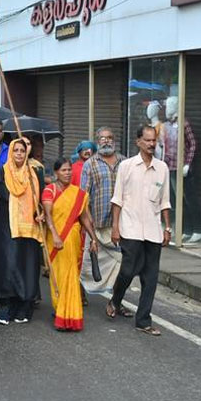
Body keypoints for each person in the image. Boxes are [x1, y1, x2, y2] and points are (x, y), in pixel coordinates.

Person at [108, 124, 171, 336]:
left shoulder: (162, 168)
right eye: (148, 140)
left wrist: (167, 227)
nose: (152, 144)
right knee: (128, 270)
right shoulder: (126, 166)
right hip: (130, 227)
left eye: (154, 140)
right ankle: (116, 299)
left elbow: (165, 201)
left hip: (153, 229)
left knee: (150, 277)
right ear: (138, 142)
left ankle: (143, 320)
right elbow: (117, 199)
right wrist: (115, 227)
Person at [0, 139, 44, 325]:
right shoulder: (0, 173)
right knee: (6, 265)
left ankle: (24, 306)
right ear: (10, 152)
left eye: (22, 150)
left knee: (26, 266)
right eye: (15, 150)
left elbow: (42, 200)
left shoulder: (34, 174)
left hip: (29, 230)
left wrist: (41, 213)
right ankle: (4, 306)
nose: (19, 153)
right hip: (4, 229)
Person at [43, 157, 97, 332]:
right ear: (56, 172)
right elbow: (48, 215)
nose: (67, 173)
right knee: (57, 276)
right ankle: (61, 309)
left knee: (71, 275)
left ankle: (69, 316)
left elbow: (85, 219)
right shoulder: (49, 190)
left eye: (69, 170)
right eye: (63, 170)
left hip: (72, 238)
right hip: (55, 239)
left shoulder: (79, 194)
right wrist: (56, 235)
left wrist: (94, 239)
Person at [79, 127, 124, 296]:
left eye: (109, 137)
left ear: (115, 140)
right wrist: (89, 226)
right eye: (102, 138)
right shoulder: (90, 164)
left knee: (122, 264)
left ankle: (116, 301)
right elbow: (84, 198)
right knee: (90, 263)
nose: (106, 141)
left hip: (121, 225)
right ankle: (80, 293)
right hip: (98, 224)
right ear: (97, 142)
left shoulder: (124, 162)